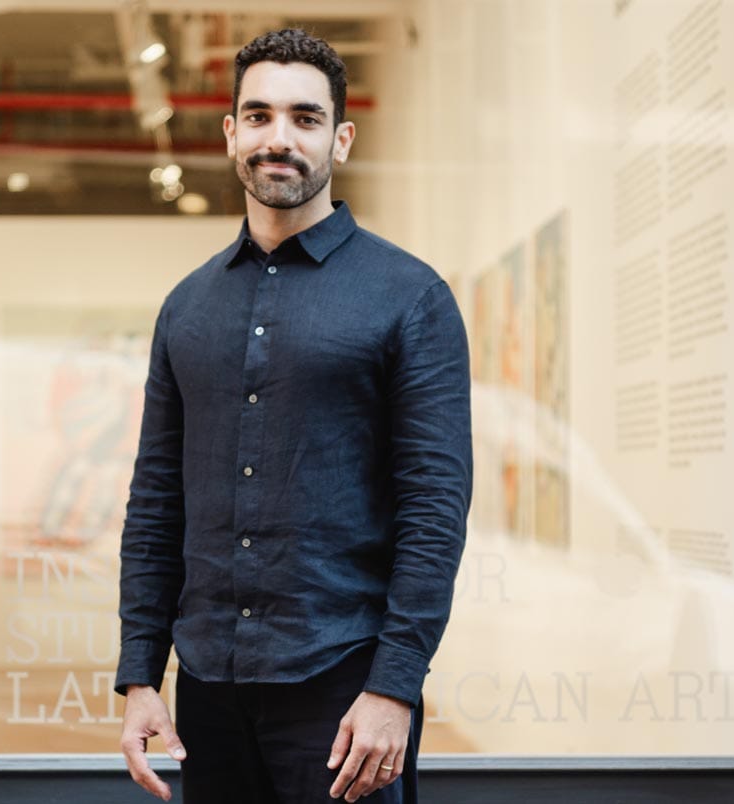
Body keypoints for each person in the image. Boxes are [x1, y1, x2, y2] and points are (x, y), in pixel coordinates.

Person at [115, 28, 472, 804]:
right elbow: (155, 501)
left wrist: (395, 687)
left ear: (340, 138)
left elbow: (434, 511)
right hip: (207, 687)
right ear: (231, 132)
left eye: (306, 119)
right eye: (260, 115)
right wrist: (141, 673)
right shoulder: (188, 307)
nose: (280, 138)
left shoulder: (408, 297)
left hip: (344, 690)